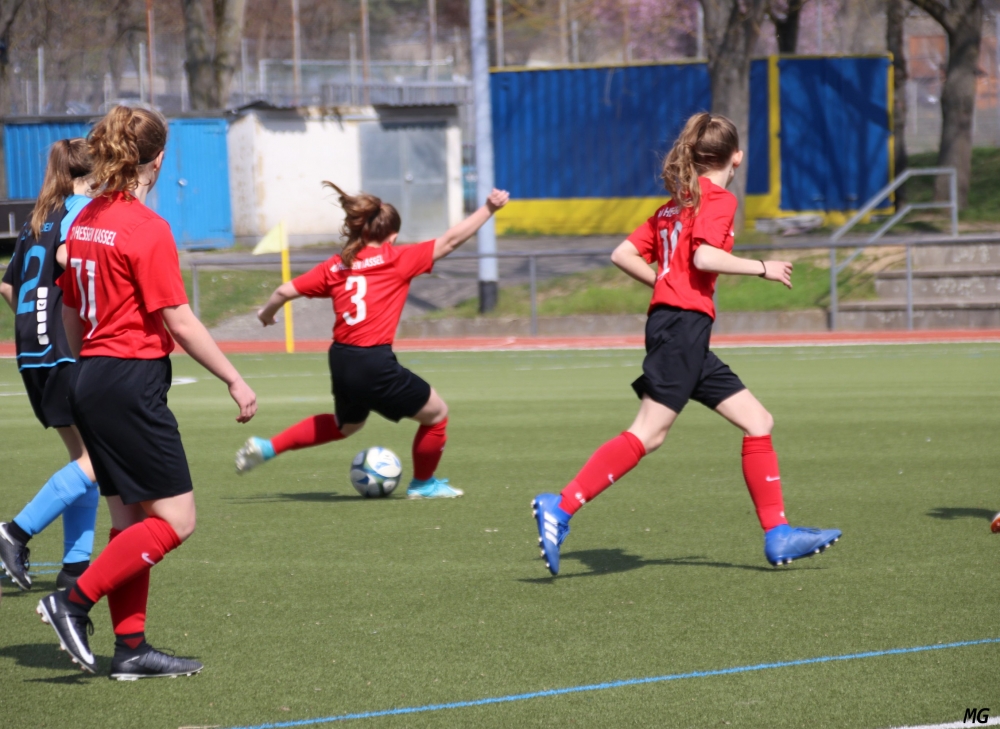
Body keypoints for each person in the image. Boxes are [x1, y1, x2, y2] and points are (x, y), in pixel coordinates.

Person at [531, 112, 841, 575]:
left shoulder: (673, 207)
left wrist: (664, 281)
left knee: (758, 421)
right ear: (737, 157)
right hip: (681, 329)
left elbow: (622, 254)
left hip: (681, 330)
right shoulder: (718, 199)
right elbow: (704, 256)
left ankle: (778, 534)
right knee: (648, 432)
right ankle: (561, 505)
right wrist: (763, 267)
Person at [35, 105, 258, 680]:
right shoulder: (146, 228)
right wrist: (234, 378)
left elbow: (72, 313)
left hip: (90, 376)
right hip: (129, 382)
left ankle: (130, 649)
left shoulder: (84, 220)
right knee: (176, 521)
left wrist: (88, 369)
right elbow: (178, 320)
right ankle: (72, 602)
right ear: (157, 161)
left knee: (131, 521)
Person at [234, 183, 509, 499]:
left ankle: (267, 447)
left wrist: (266, 314)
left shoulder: (337, 265)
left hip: (341, 358)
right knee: (436, 415)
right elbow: (450, 240)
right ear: (392, 236)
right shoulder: (397, 258)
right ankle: (423, 484)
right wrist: (488, 208)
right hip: (373, 362)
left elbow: (283, 291)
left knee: (346, 426)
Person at [0, 139, 99, 593]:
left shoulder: (36, 218)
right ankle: (14, 532)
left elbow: (8, 286)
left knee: (84, 458)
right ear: (93, 171)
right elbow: (69, 261)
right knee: (98, 459)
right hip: (63, 348)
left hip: (31, 351)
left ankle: (74, 568)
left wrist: (32, 323)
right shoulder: (82, 211)